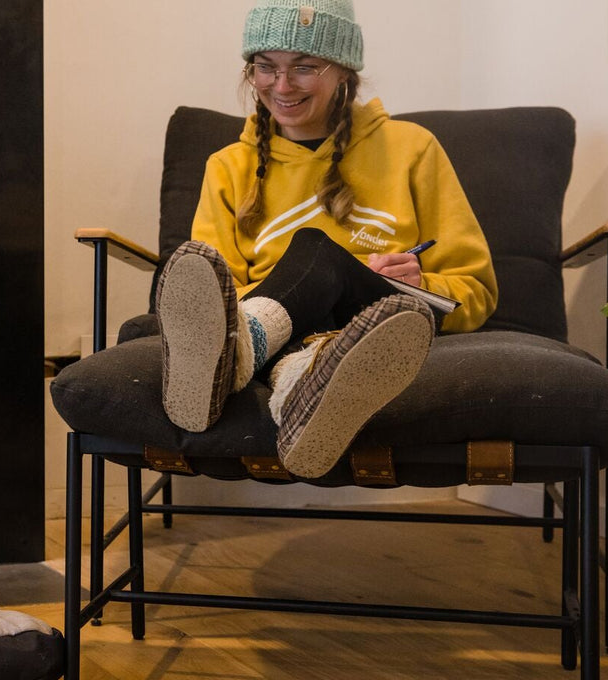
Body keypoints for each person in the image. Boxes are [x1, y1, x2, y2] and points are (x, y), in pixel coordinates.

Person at [158, 0, 498, 478]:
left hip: (388, 317)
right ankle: (300, 392)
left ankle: (232, 358)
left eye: (304, 67)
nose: (281, 85)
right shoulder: (227, 167)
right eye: (265, 67)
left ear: (343, 70)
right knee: (286, 321)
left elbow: (475, 291)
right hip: (290, 330)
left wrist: (420, 283)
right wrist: (296, 302)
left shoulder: (412, 148)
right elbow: (219, 295)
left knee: (318, 249)